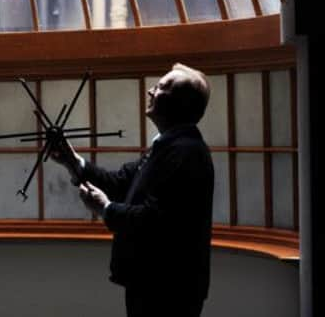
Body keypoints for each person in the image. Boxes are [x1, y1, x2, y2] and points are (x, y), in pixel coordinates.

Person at [52, 63, 214, 317]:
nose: (150, 91)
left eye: (160, 87)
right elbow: (120, 183)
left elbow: (157, 220)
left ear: (180, 103)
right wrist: (73, 162)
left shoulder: (186, 153)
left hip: (168, 288)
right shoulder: (169, 147)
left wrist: (105, 208)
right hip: (153, 282)